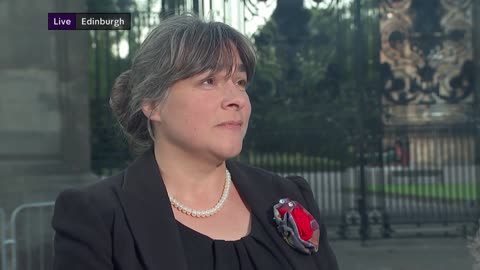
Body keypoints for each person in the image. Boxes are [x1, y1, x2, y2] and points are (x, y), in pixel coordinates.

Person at [52, 14, 338, 270]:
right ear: (152, 104)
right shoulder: (98, 217)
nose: (237, 99)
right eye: (209, 81)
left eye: (239, 82)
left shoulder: (289, 195)